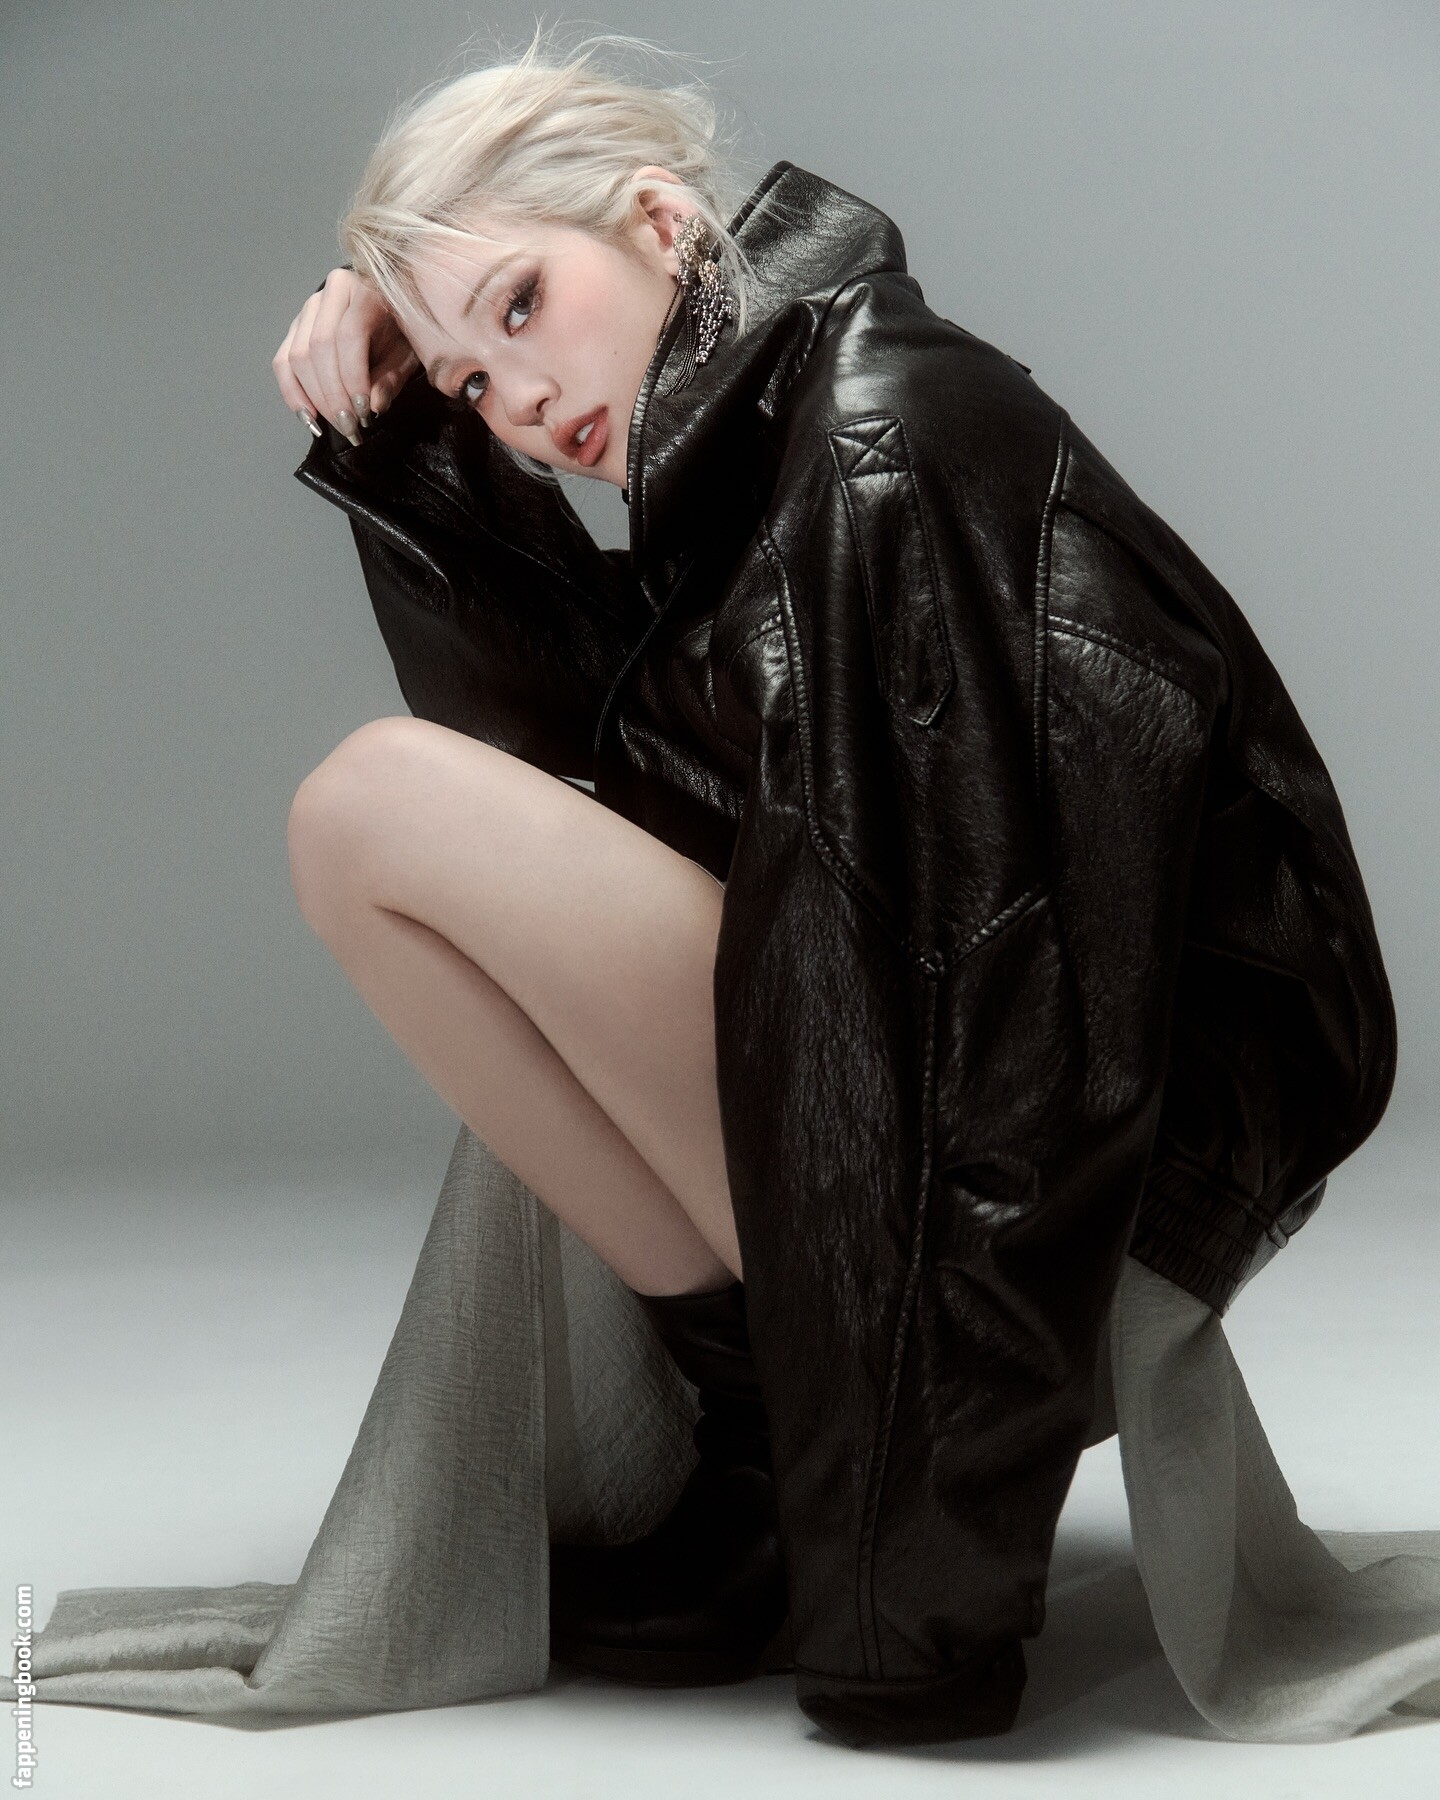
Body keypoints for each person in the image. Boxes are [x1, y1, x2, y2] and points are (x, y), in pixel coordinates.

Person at [270, 30, 1401, 1749]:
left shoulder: (880, 450)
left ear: (663, 222)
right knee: (383, 831)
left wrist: (911, 1614)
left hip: (1063, 1235)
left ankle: (816, 1499)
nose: (523, 404)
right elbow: (577, 767)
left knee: (373, 802)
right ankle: (758, 1455)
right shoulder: (753, 447)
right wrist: (404, 421)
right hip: (934, 1174)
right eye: (475, 382)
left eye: (523, 307)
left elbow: (997, 1032)